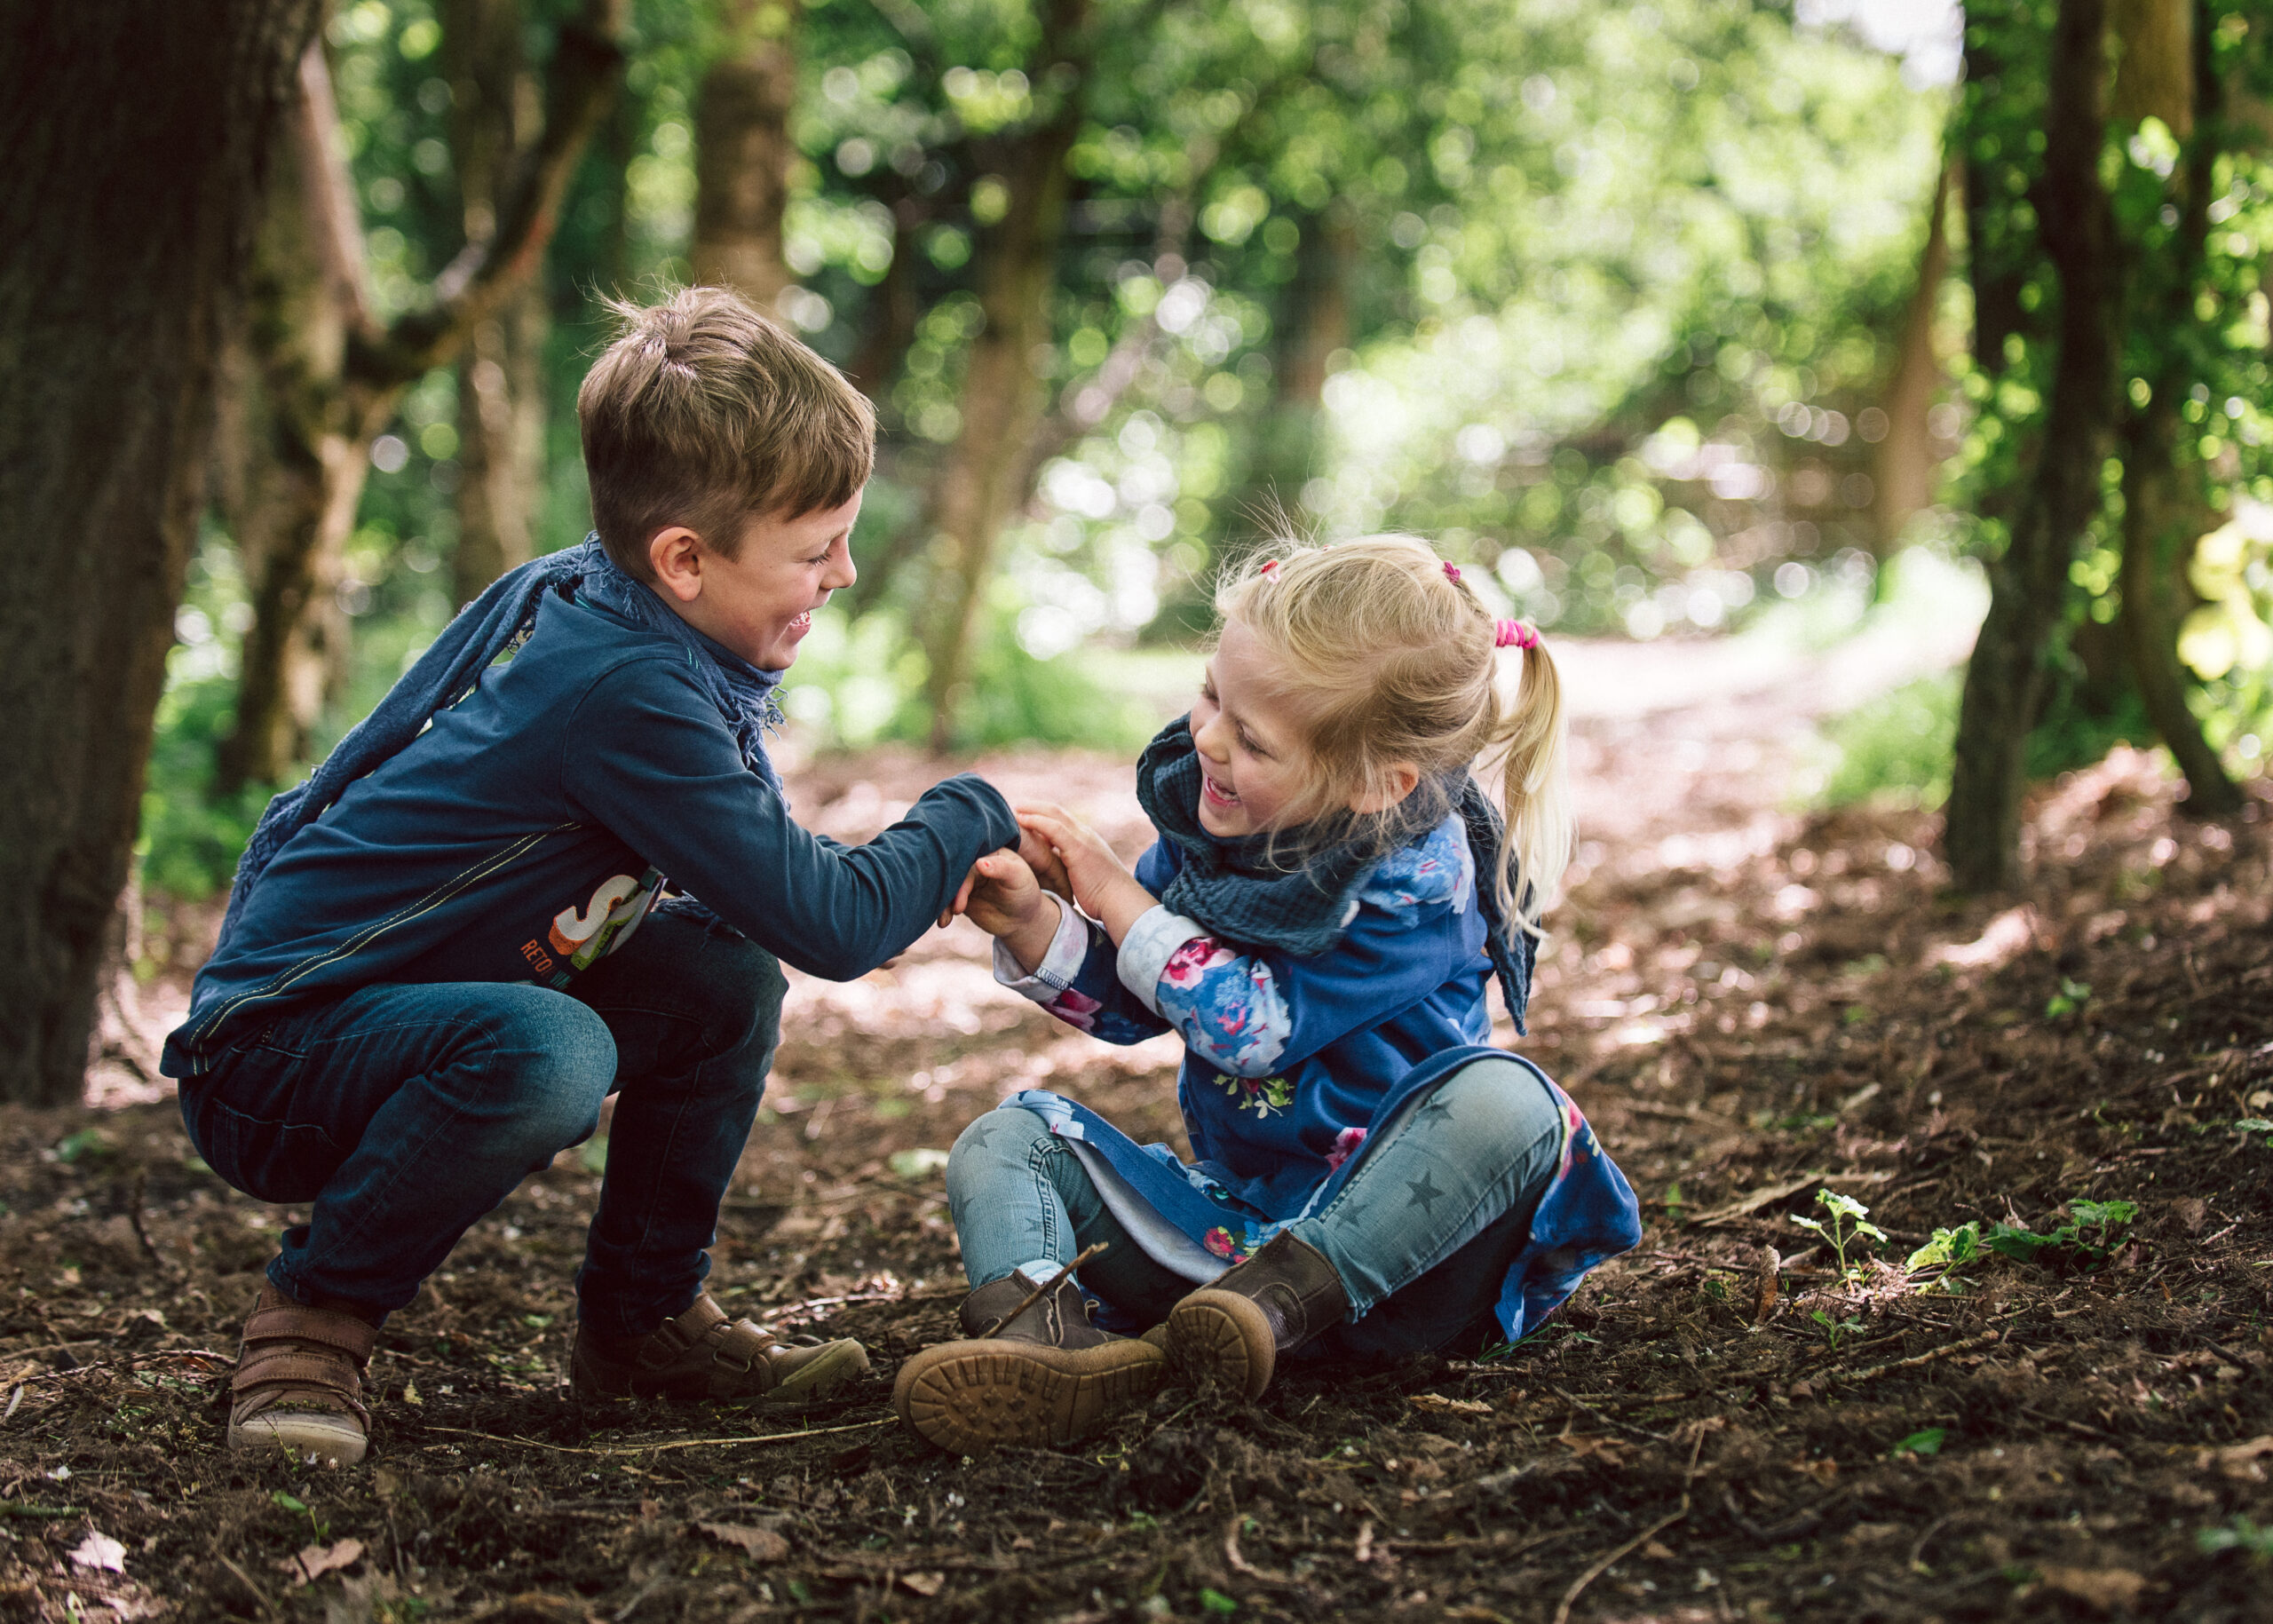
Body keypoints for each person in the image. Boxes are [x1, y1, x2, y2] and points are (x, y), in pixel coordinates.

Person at [162, 288, 1023, 1466]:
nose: (846, 573)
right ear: (684, 559)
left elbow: (764, 902)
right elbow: (834, 923)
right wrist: (970, 814)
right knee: (552, 1052)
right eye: (816, 548)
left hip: (415, 1010)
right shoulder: (626, 690)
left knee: (719, 977)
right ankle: (310, 1324)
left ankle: (644, 1323)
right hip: (276, 1058)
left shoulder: (630, 619)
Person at [891, 537, 1641, 1454]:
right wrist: (1032, 921)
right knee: (1009, 1135)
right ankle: (1049, 1344)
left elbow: (1249, 1027)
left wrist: (1117, 893)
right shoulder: (1224, 839)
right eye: (1212, 695)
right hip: (1235, 1231)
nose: (1207, 738)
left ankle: (1260, 1314)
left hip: (1407, 1258)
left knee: (1512, 1099)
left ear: (1377, 783)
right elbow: (1146, 996)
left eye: (1253, 738)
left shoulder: (1413, 879)